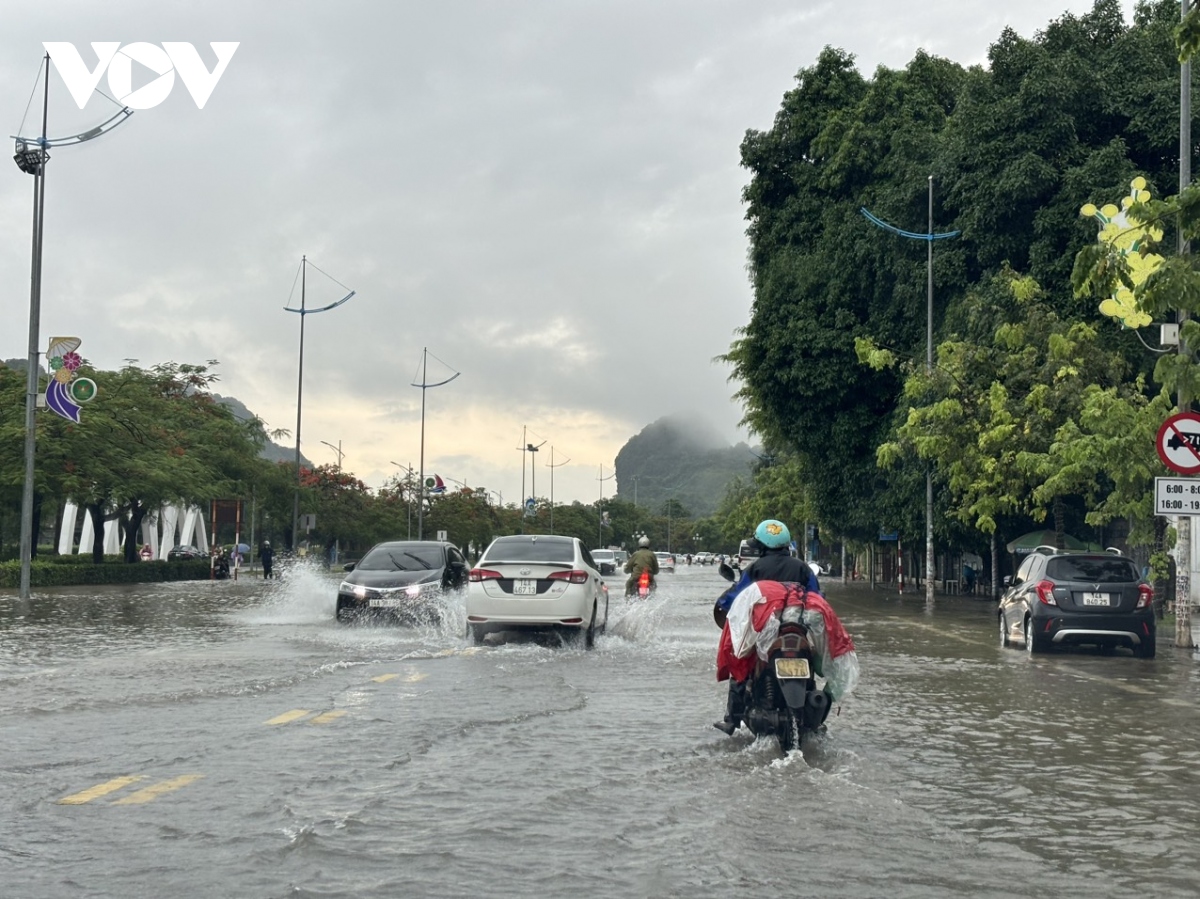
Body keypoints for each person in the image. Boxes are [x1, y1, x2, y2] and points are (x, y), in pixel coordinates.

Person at [713, 519, 820, 735]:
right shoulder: (802, 568)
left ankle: (732, 719)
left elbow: (737, 597)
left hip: (764, 634)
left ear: (761, 546)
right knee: (812, 665)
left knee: (739, 661)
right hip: (797, 632)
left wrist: (723, 604)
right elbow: (817, 598)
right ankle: (815, 716)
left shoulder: (755, 568)